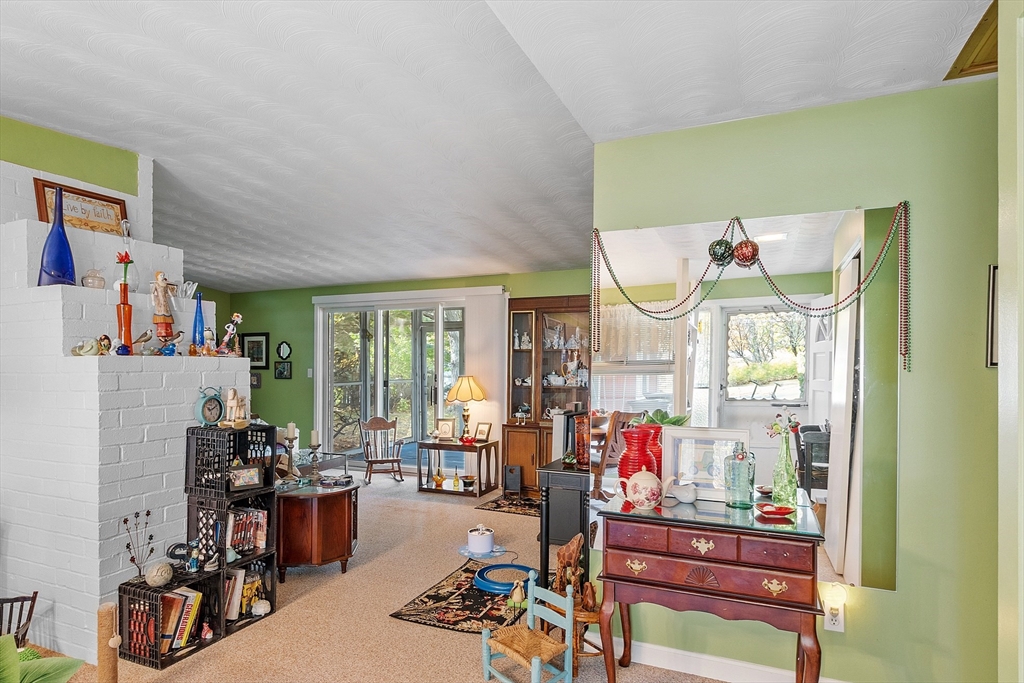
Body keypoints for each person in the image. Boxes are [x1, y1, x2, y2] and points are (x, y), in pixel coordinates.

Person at [150, 271, 178, 342]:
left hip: (165, 303)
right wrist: (153, 301)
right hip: (159, 303)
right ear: (157, 276)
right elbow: (152, 293)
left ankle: (167, 334)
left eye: (163, 275)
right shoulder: (156, 284)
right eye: (161, 275)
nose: (162, 276)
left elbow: (171, 295)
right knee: (161, 318)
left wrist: (174, 305)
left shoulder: (165, 285)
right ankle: (161, 334)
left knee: (167, 318)